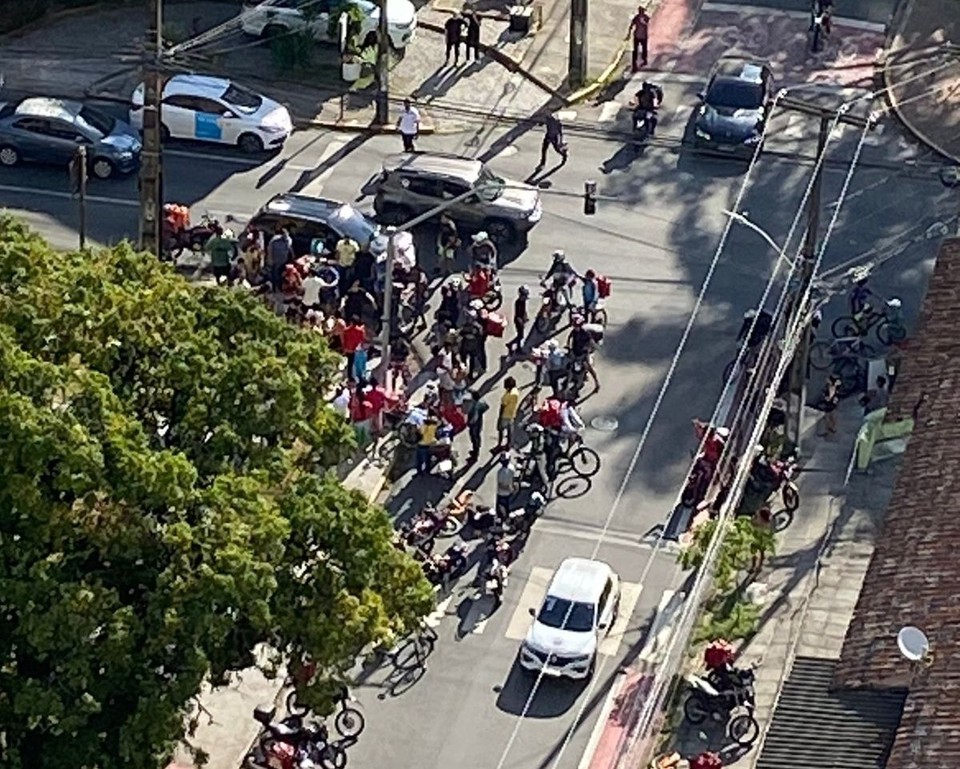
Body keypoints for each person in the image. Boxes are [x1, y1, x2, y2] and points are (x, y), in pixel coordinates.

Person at [266, 226, 294, 292]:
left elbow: (290, 248)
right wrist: (270, 258)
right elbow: (269, 248)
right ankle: (274, 287)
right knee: (274, 274)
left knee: (282, 275)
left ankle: (280, 286)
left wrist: (293, 256)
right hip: (275, 260)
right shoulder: (275, 240)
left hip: (284, 261)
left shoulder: (289, 240)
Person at [464, 389, 489, 463]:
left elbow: (474, 418)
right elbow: (486, 407)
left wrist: (469, 423)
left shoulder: (475, 406)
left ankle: (475, 455)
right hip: (479, 423)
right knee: (477, 436)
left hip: (474, 425)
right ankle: (476, 450)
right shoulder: (481, 402)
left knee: (474, 438)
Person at [498, 376, 521, 449]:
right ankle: (509, 444)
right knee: (509, 430)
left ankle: (499, 444)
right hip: (512, 414)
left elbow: (502, 407)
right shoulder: (516, 392)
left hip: (505, 415)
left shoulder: (506, 396)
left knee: (501, 429)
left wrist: (499, 418)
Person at [342, 317, 366, 382]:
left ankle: (349, 376)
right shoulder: (360, 331)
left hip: (347, 349)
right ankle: (356, 377)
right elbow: (362, 340)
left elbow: (344, 340)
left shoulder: (346, 330)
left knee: (348, 364)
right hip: (355, 350)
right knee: (355, 364)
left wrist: (344, 348)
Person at [629, 5, 650, 72]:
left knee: (644, 49)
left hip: (643, 36)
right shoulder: (636, 17)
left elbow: (647, 23)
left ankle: (644, 59)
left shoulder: (646, 17)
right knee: (635, 50)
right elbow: (631, 25)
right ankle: (634, 64)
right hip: (637, 36)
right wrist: (629, 34)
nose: (641, 12)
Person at [509, 285, 529, 354]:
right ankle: (517, 348)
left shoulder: (523, 302)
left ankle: (512, 345)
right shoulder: (518, 302)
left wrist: (525, 317)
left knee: (520, 335)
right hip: (518, 321)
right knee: (521, 336)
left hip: (521, 320)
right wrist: (521, 321)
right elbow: (518, 313)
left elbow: (524, 311)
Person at [495, 452, 516, 517]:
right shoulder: (512, 468)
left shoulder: (500, 472)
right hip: (508, 491)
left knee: (500, 506)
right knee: (507, 506)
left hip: (501, 492)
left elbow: (500, 483)